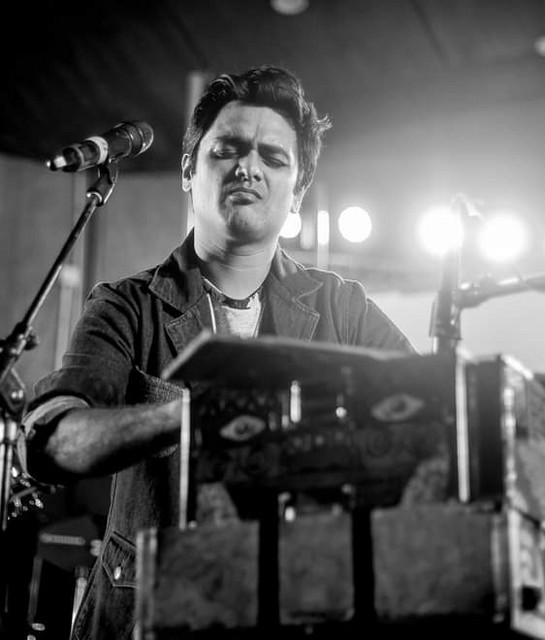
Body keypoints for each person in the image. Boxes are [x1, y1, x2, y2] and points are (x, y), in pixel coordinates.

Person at [20, 65, 416, 639]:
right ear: (189, 169)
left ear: (297, 193)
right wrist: (191, 417)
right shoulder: (126, 305)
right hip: (147, 618)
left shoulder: (343, 307)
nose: (248, 168)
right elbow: (54, 441)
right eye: (227, 150)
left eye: (273, 158)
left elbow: (429, 409)